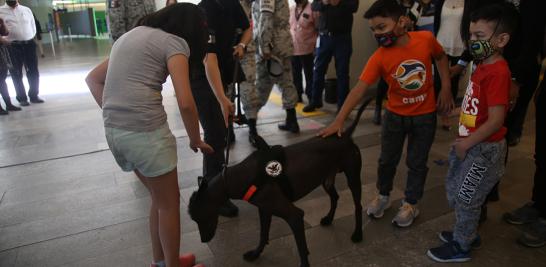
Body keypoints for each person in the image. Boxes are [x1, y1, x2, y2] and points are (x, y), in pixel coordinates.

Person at [85, 4, 210, 267]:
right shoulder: (175, 43)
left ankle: (163, 261)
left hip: (116, 134)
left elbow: (93, 79)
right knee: (169, 204)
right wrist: (195, 139)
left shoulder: (132, 35)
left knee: (159, 199)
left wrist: (117, 118)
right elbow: (186, 102)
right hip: (147, 136)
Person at [320, 0, 454, 228]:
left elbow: (441, 58)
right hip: (394, 117)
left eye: (381, 27)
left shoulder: (425, 40)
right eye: (373, 29)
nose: (377, 34)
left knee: (417, 162)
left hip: (425, 116)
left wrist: (446, 87)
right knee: (386, 160)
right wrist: (339, 120)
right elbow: (359, 90)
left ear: (401, 22)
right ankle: (383, 196)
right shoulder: (380, 56)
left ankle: (411, 202)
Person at [427, 4, 517, 262]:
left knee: (467, 197)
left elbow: (497, 120)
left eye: (480, 36)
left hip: (484, 150)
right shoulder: (482, 66)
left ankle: (462, 245)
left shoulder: (498, 72)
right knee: (456, 190)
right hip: (471, 142)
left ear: (501, 40)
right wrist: (456, 115)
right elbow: (479, 107)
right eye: (471, 36)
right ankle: (466, 232)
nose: (473, 41)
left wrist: (468, 144)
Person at [195, 0, 251, 216]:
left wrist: (242, 45)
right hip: (202, 77)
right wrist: (221, 98)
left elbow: (247, 28)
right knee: (215, 134)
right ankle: (213, 193)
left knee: (219, 132)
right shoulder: (204, 9)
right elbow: (208, 60)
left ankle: (212, 181)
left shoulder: (230, 4)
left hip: (221, 73)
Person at [253, 0, 301, 133]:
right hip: (283, 45)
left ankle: (251, 122)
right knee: (286, 83)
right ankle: (292, 121)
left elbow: (266, 19)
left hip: (272, 48)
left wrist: (264, 46)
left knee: (261, 84)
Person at [303, 0, 359, 112]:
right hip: (324, 37)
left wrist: (338, 2)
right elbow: (314, 5)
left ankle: (342, 106)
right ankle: (315, 101)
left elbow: (354, 7)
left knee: (342, 73)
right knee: (318, 70)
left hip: (342, 38)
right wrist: (325, 2)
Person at [0, 0, 43, 106]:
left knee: (33, 70)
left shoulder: (26, 10)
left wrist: (29, 37)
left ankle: (34, 95)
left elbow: (33, 25)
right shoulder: (1, 11)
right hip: (12, 46)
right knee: (16, 72)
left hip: (29, 44)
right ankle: (22, 98)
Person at [433, 0, 465, 130]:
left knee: (454, 81)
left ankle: (447, 113)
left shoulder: (468, 2)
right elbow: (436, 22)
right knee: (438, 81)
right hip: (440, 43)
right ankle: (434, 111)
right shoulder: (440, 1)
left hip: (459, 44)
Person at [239, 0, 261, 145]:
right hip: (226, 48)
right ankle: (227, 129)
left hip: (246, 49)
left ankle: (252, 128)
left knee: (249, 90)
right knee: (225, 90)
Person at [289, 0, 319, 103]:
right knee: (295, 73)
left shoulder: (312, 9)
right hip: (293, 49)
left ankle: (311, 95)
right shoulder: (292, 9)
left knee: (309, 74)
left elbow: (317, 28)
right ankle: (298, 94)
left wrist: (316, 47)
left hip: (308, 49)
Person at [0, 17, 21, 115]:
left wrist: (2, 23)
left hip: (2, 55)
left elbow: (5, 33)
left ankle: (8, 104)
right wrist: (4, 41)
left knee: (2, 81)